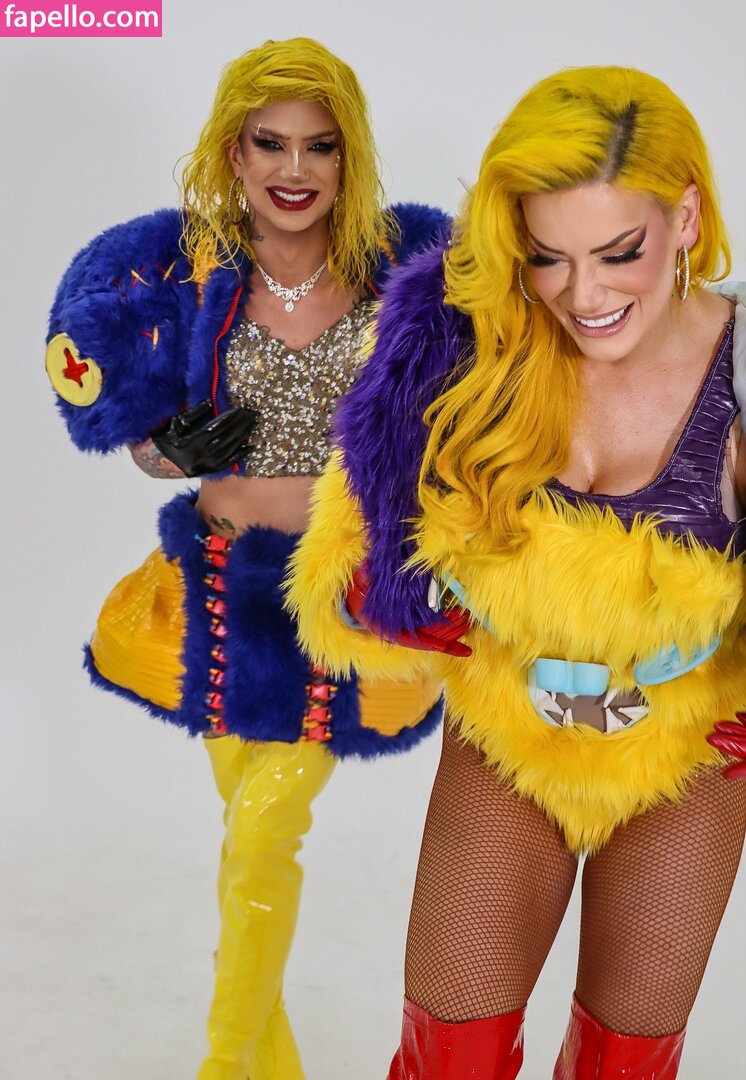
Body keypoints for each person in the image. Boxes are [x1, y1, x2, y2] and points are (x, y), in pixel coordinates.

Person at [286, 64, 746, 1078]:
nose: (583, 295)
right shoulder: (459, 341)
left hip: (684, 754)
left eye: (618, 252)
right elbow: (357, 522)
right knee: (445, 1059)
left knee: (625, 1066)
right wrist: (367, 591)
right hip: (505, 739)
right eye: (547, 257)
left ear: (684, 217)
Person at [45, 38, 448, 1080]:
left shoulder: (400, 274)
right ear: (234, 151)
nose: (294, 168)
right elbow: (127, 424)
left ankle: (222, 1065)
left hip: (335, 600)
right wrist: (166, 452)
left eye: (320, 145)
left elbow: (475, 404)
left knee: (265, 831)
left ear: (350, 156)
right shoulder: (187, 273)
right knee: (250, 846)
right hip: (220, 596)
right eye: (270, 143)